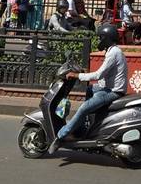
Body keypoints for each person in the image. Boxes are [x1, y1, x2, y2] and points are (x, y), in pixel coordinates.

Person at [48, 23, 128, 152]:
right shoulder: (112, 50)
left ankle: (60, 136)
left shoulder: (113, 53)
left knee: (83, 108)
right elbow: (104, 72)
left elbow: (99, 74)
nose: (99, 40)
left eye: (101, 37)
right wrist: (83, 71)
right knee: (90, 89)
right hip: (108, 87)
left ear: (107, 38)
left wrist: (77, 75)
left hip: (113, 91)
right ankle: (83, 127)